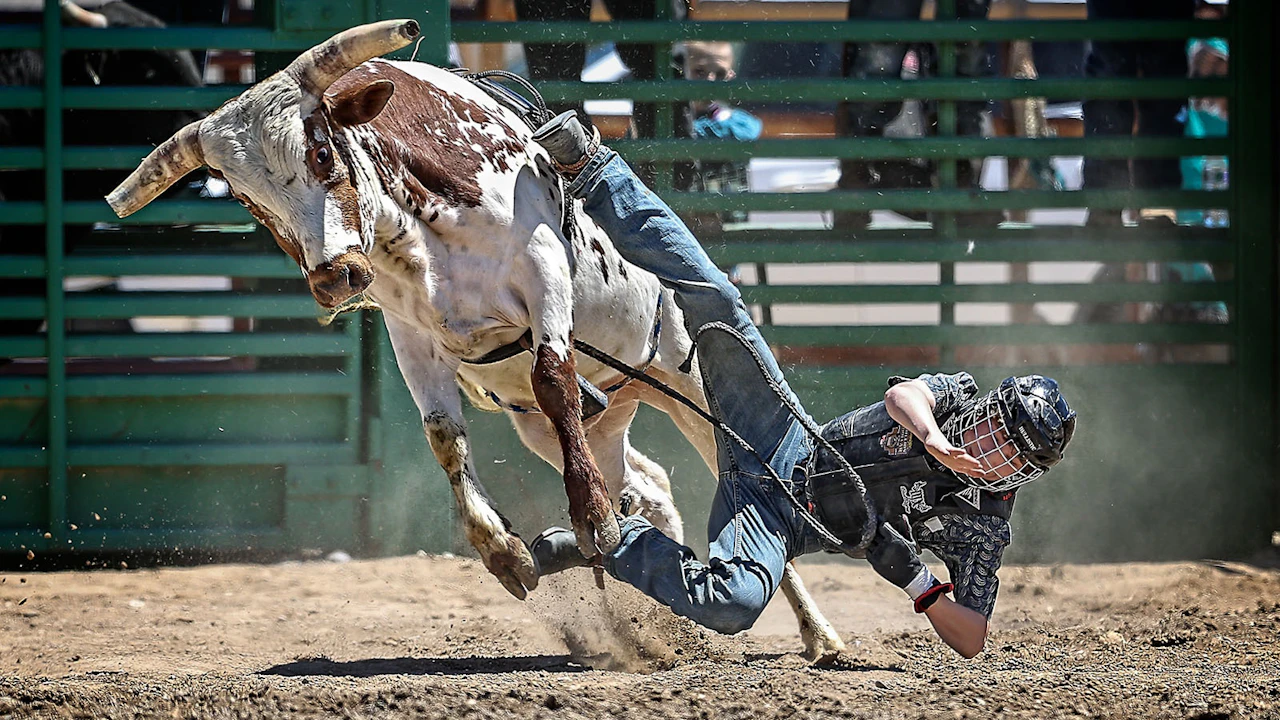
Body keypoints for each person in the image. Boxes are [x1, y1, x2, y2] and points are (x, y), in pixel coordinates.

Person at [527, 111, 1077, 658]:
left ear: (1023, 473)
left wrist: (919, 582)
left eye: (1012, 451)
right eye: (1000, 428)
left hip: (785, 522)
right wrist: (932, 438)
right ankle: (595, 169)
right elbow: (902, 396)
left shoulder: (983, 527)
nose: (994, 446)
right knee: (718, 302)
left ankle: (608, 539)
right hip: (782, 433)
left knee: (735, 605)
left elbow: (973, 639)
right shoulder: (954, 397)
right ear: (990, 407)